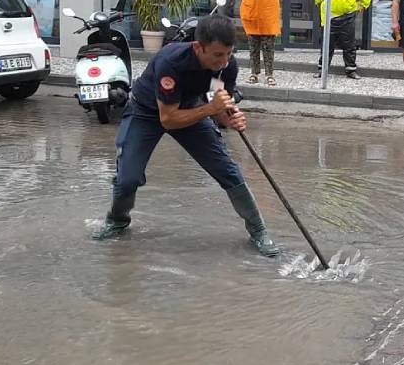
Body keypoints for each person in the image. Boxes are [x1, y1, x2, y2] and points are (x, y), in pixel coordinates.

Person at [91, 15, 281, 258]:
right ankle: (117, 220)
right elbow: (168, 119)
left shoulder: (226, 67)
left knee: (227, 170)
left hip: (192, 109)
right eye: (217, 55)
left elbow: (218, 107)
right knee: (128, 178)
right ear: (198, 47)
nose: (223, 62)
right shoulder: (171, 62)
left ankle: (259, 231)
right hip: (147, 112)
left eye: (228, 54)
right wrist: (212, 110)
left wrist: (232, 119)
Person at [312, 0, 371, 80]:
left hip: (348, 15)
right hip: (330, 16)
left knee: (349, 45)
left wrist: (364, 4)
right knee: (327, 45)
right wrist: (319, 1)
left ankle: (351, 71)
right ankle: (322, 71)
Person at [236, 0, 282, 87]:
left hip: (267, 10)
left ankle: (269, 74)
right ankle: (254, 73)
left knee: (268, 44)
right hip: (252, 9)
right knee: (253, 44)